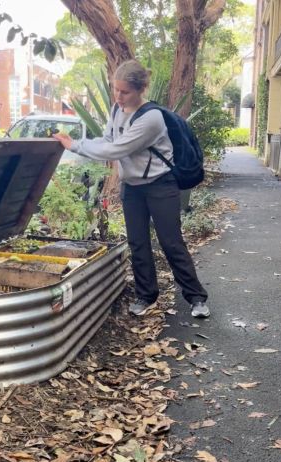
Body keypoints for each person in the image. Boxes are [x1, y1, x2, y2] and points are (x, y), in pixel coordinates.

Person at [53, 59, 209, 318]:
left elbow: (117, 149)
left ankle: (196, 298)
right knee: (138, 243)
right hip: (133, 188)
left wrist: (75, 146)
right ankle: (146, 295)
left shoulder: (152, 118)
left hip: (160, 185)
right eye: (116, 90)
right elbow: (107, 140)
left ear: (140, 90)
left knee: (171, 243)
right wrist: (81, 142)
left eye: (124, 92)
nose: (118, 96)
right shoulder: (116, 110)